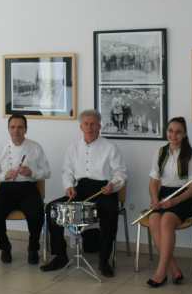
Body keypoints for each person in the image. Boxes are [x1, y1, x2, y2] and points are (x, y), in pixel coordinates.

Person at [41, 109, 127, 278]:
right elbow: (67, 171)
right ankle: (60, 256)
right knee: (52, 209)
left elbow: (121, 173)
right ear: (81, 126)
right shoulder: (73, 147)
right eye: (86, 124)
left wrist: (112, 185)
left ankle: (104, 261)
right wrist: (68, 186)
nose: (89, 127)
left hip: (104, 190)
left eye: (93, 124)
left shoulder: (110, 147)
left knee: (110, 213)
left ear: (99, 126)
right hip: (81, 190)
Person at [0, 114, 51, 264]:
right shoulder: (2, 147)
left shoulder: (35, 147)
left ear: (25, 129)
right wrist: (4, 175)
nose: (16, 131)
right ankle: (5, 247)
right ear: (8, 129)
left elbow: (47, 172)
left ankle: (33, 247)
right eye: (13, 127)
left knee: (36, 215)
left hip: (28, 188)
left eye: (20, 127)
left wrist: (32, 173)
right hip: (6, 189)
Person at [145, 116, 192, 287]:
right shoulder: (160, 152)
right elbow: (153, 181)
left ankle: (161, 272)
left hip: (184, 198)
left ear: (184, 134)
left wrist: (173, 202)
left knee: (167, 220)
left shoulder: (191, 155)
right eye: (170, 131)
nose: (173, 135)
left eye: (178, 132)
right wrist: (155, 199)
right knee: (154, 219)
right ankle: (174, 269)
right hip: (163, 195)